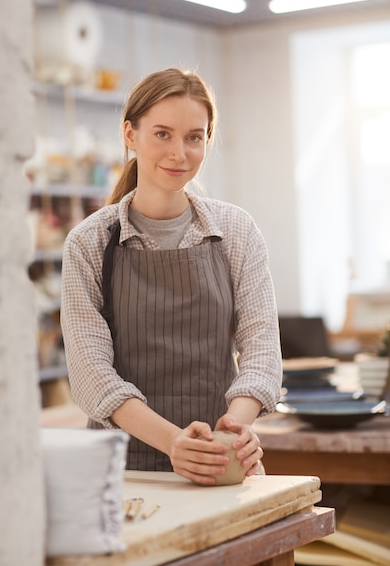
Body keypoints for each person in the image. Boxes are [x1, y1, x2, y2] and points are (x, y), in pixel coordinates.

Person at [60, 68, 282, 486]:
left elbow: (262, 351)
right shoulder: (89, 243)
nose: (179, 153)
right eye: (162, 133)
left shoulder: (236, 231)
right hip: (124, 473)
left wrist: (232, 432)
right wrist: (174, 441)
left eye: (194, 137)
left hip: (222, 466)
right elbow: (92, 375)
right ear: (130, 134)